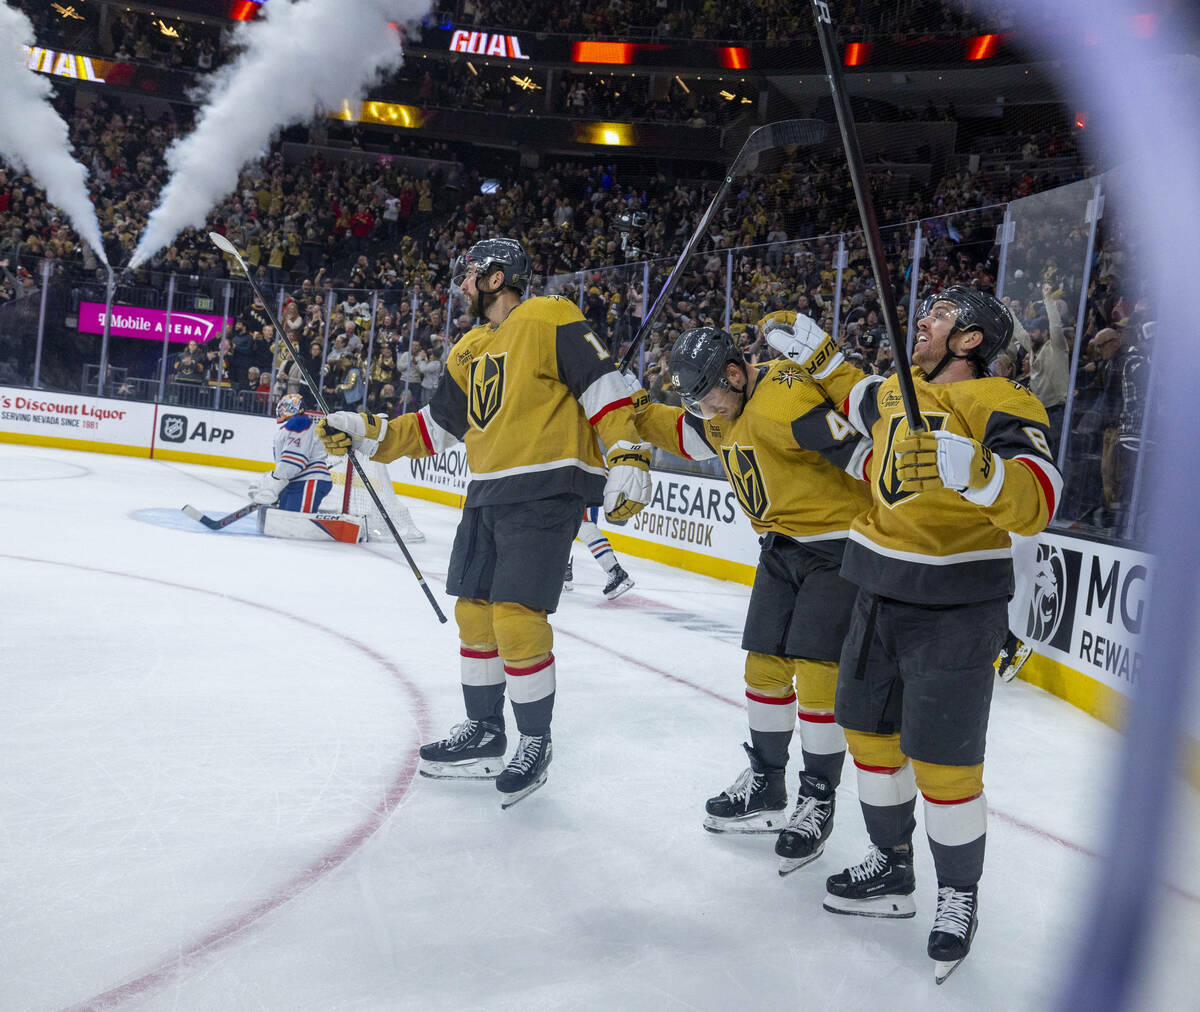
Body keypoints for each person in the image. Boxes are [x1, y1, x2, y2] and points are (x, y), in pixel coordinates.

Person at [763, 286, 1061, 980]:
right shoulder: (899, 390)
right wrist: (818, 353)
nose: (920, 323)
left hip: (956, 607)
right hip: (875, 591)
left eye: (938, 316)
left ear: (969, 340)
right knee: (867, 733)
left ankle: (958, 894)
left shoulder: (1004, 402)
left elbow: (1041, 495)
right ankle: (892, 867)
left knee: (944, 760)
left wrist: (985, 476)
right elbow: (856, 393)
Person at [316, 238, 651, 807]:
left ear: (498, 278)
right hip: (488, 490)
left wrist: (628, 453)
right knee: (474, 612)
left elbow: (604, 388)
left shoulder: (551, 316)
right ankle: (486, 730)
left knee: (517, 617)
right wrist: (367, 429)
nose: (462, 286)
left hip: (548, 485)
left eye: (470, 276)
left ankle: (534, 741)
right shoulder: (468, 347)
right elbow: (435, 428)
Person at [627, 326, 872, 873]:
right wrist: (633, 405)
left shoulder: (787, 398)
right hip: (781, 548)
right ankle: (766, 782)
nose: (704, 410)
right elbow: (684, 433)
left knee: (815, 672)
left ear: (736, 375)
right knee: (763, 667)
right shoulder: (721, 410)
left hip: (838, 548)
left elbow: (864, 458)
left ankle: (818, 796)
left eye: (707, 396)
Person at [249, 393, 333, 511]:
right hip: (296, 481)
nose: (280, 409)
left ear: (293, 407)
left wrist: (274, 484)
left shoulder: (300, 423)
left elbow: (294, 461)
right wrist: (276, 480)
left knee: (295, 523)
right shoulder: (293, 425)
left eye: (284, 406)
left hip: (308, 480)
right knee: (282, 520)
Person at [562, 507, 634, 600]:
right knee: (563, 527)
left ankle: (615, 571)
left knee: (585, 527)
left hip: (582, 496)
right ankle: (563, 570)